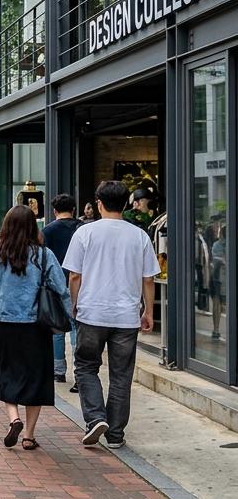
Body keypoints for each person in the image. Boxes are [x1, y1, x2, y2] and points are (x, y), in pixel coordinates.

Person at [64, 181, 160, 450]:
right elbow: (148, 278)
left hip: (91, 312)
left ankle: (95, 418)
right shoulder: (139, 236)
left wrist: (75, 303)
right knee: (121, 374)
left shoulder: (85, 232)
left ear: (99, 204)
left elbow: (74, 275)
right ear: (127, 204)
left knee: (86, 367)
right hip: (126, 316)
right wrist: (148, 311)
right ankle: (115, 434)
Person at [0, 205, 71, 452]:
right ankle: (29, 435)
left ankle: (13, 418)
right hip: (37, 326)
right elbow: (61, 288)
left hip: (6, 324)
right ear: (32, 227)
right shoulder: (44, 255)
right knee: (36, 377)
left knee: (7, 373)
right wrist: (71, 318)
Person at [41, 194, 85, 387]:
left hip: (55, 285)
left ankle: (58, 371)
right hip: (81, 284)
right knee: (77, 329)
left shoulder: (47, 231)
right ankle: (79, 371)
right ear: (74, 209)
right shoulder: (82, 229)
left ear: (54, 211)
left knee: (57, 328)